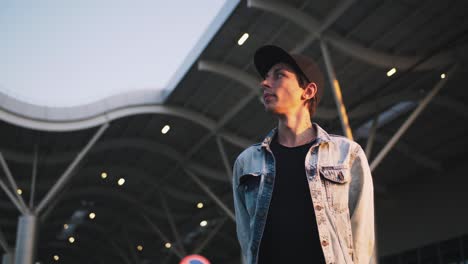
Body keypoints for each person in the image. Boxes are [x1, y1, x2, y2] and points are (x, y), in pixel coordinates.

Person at [232, 45, 375, 264]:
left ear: (307, 91)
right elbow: (246, 242)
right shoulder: (247, 163)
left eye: (279, 75)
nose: (265, 82)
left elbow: (362, 239)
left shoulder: (347, 154)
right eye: (266, 77)